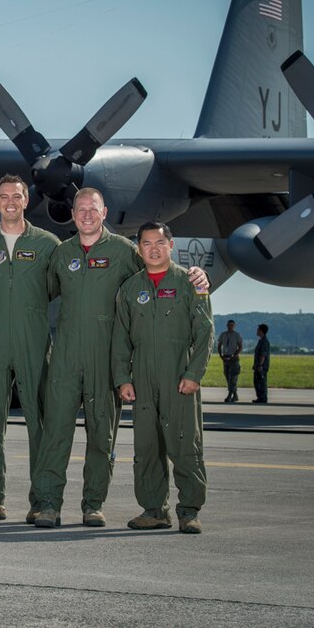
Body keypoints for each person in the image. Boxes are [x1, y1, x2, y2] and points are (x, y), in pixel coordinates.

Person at [33, 188, 208, 529]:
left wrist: (199, 276)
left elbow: (157, 270)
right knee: (55, 434)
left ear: (104, 212)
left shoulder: (123, 250)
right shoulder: (61, 253)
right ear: (72, 214)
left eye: (93, 209)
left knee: (103, 436)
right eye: (80, 209)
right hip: (67, 357)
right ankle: (49, 504)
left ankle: (93, 505)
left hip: (105, 357)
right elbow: (41, 291)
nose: (86, 215)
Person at [0, 175, 59, 522]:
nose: (10, 202)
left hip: (33, 340)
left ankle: (43, 501)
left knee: (40, 422)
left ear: (26, 201)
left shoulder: (48, 244)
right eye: (4, 196)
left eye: (16, 196)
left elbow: (61, 284)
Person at [112, 222, 214, 534]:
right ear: (139, 249)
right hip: (142, 377)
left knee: (184, 444)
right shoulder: (130, 289)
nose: (153, 248)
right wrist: (122, 379)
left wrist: (194, 373)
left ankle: (189, 510)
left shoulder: (190, 283)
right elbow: (121, 339)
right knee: (146, 448)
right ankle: (154, 510)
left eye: (159, 242)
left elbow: (205, 331)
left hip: (178, 375)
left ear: (171, 246)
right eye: (146, 243)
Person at [217, 320, 244, 402]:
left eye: (232, 325)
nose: (230, 326)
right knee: (228, 377)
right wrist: (221, 355)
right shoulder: (223, 335)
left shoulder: (236, 335)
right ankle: (235, 395)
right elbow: (219, 345)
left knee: (233, 377)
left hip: (234, 359)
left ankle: (229, 395)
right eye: (229, 325)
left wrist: (235, 355)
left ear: (234, 326)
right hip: (226, 357)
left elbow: (240, 347)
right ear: (226, 325)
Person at [253, 323, 270, 403]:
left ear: (261, 331)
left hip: (261, 366)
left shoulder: (264, 342)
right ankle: (260, 397)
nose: (257, 331)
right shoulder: (261, 341)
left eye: (258, 330)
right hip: (258, 366)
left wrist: (260, 365)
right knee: (257, 382)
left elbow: (263, 355)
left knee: (261, 382)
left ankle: (263, 398)